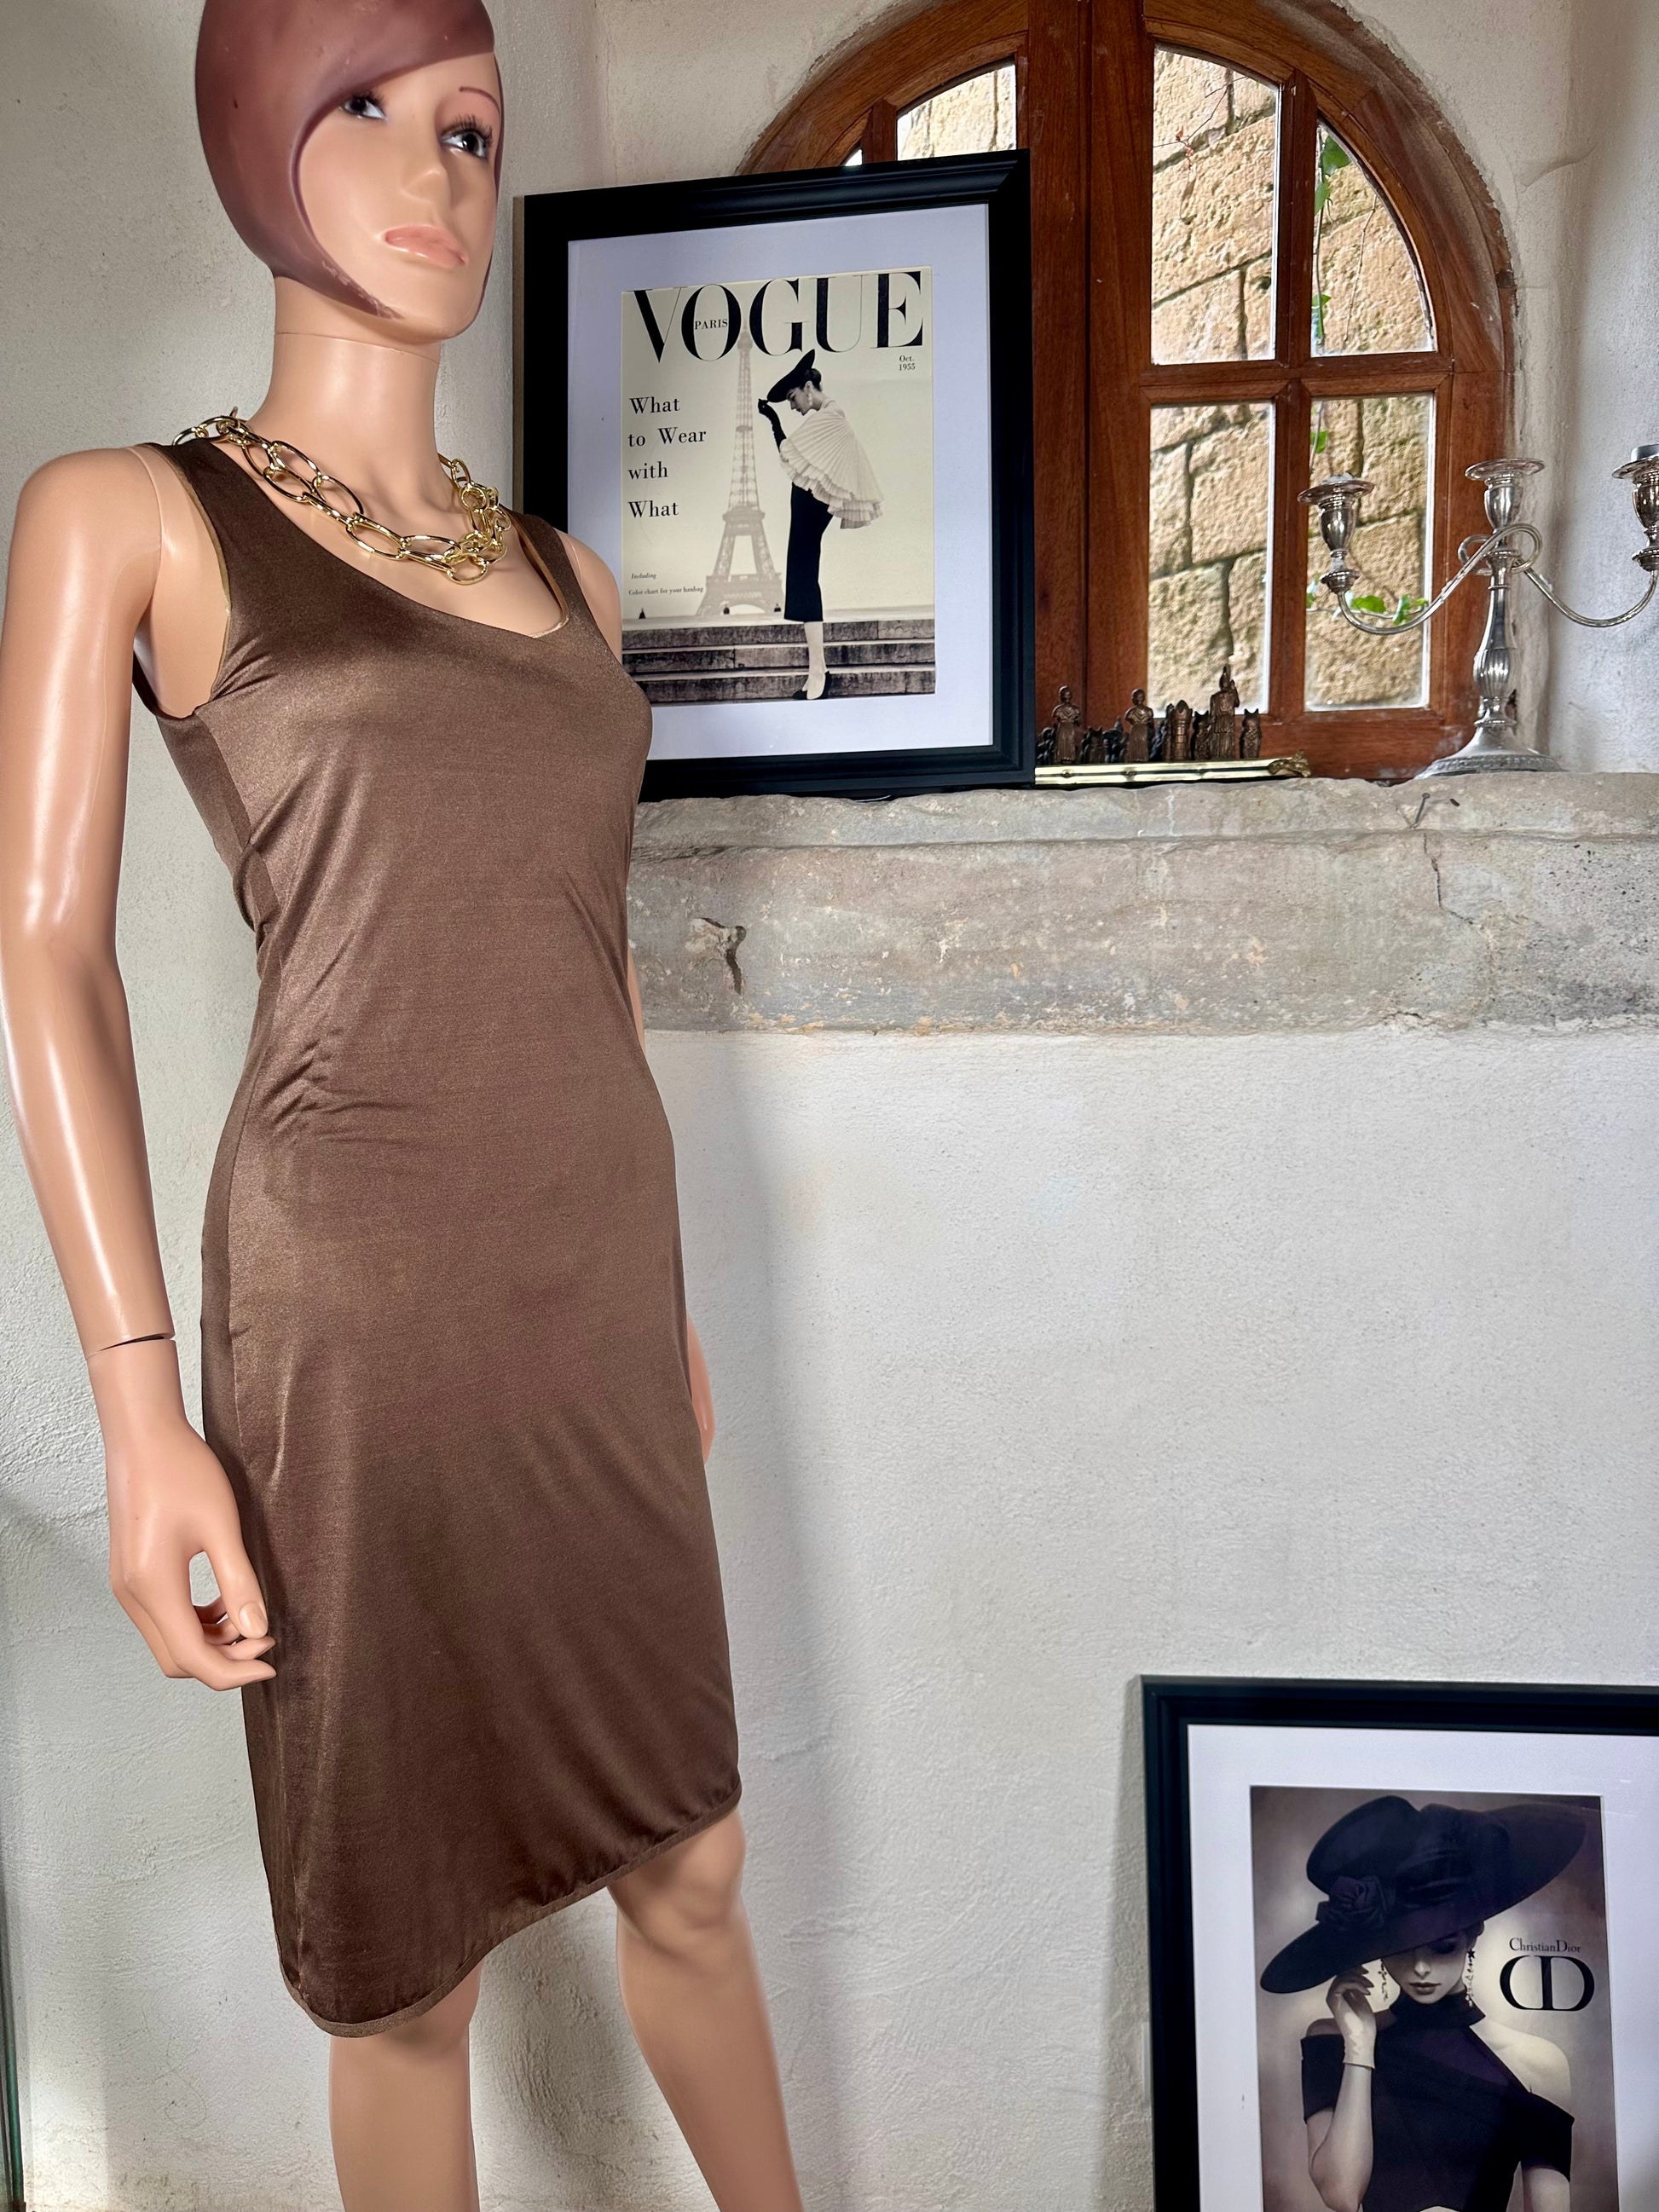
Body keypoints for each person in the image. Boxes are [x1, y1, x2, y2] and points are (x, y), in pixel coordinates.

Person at [0, 5, 804, 2209]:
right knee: (406, 1967)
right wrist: (143, 1409)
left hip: (593, 1291)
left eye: (469, 125)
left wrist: (662, 1302)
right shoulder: (127, 517)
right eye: (362, 106)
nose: (434, 170)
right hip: (351, 1307)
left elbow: (589, 950)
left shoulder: (570, 578)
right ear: (256, 135)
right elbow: (47, 950)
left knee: (696, 1861)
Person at [1260, 1796, 1585, 2212]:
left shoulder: (1539, 2065)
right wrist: (1359, 2049)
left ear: (1473, 1934)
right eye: (1400, 1949)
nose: (1420, 1968)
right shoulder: (1331, 2039)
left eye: (1441, 1946)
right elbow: (1341, 2195)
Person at [757, 349, 882, 699]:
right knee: (802, 575)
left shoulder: (831, 417)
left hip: (811, 503)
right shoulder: (828, 416)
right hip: (809, 500)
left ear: (808, 388)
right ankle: (817, 670)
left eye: (793, 397)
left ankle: (819, 673)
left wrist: (774, 423)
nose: (793, 406)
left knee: (803, 574)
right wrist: (774, 421)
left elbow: (789, 452)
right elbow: (799, 456)